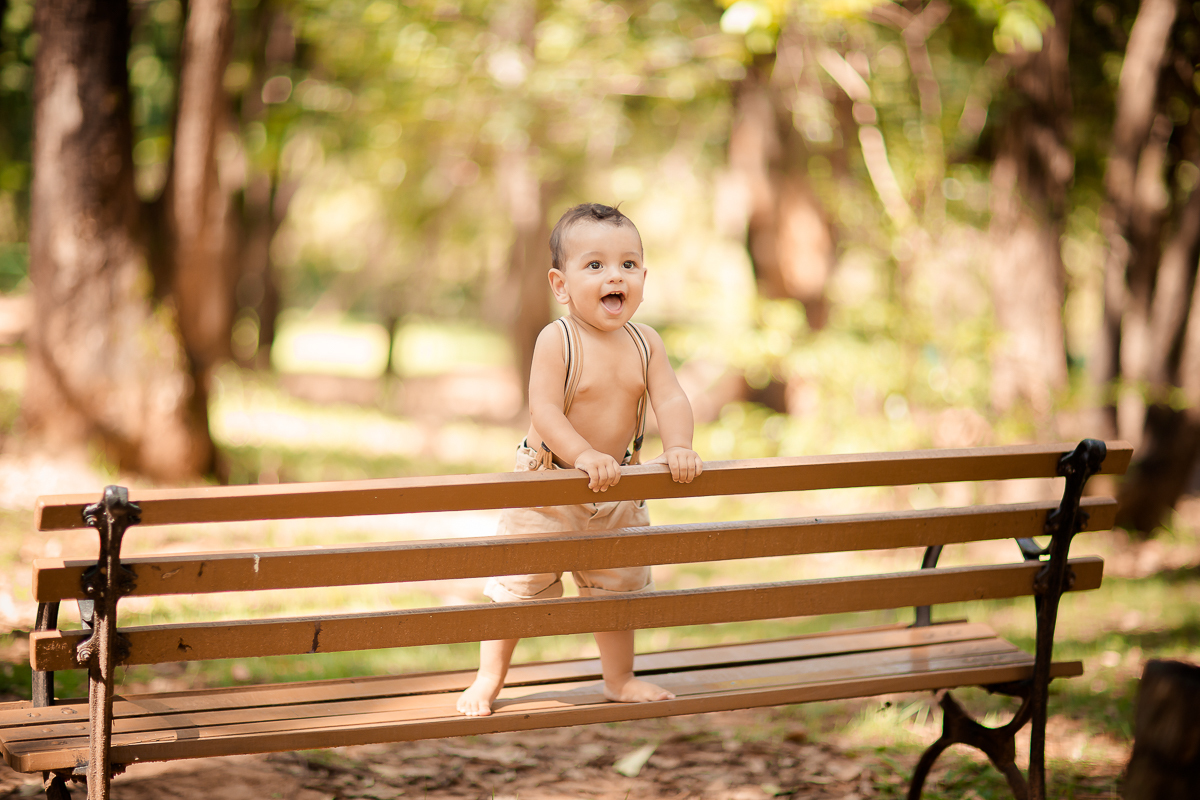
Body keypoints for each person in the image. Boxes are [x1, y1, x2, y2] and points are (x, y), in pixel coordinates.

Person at [456, 203, 704, 717]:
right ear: (560, 284)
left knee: (618, 589)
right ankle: (487, 680)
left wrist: (678, 444)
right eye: (595, 265)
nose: (615, 275)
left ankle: (620, 679)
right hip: (548, 485)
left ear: (643, 277)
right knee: (517, 587)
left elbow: (672, 399)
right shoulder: (558, 340)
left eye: (628, 265)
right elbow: (544, 411)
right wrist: (584, 454)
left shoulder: (646, 342)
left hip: (617, 487)